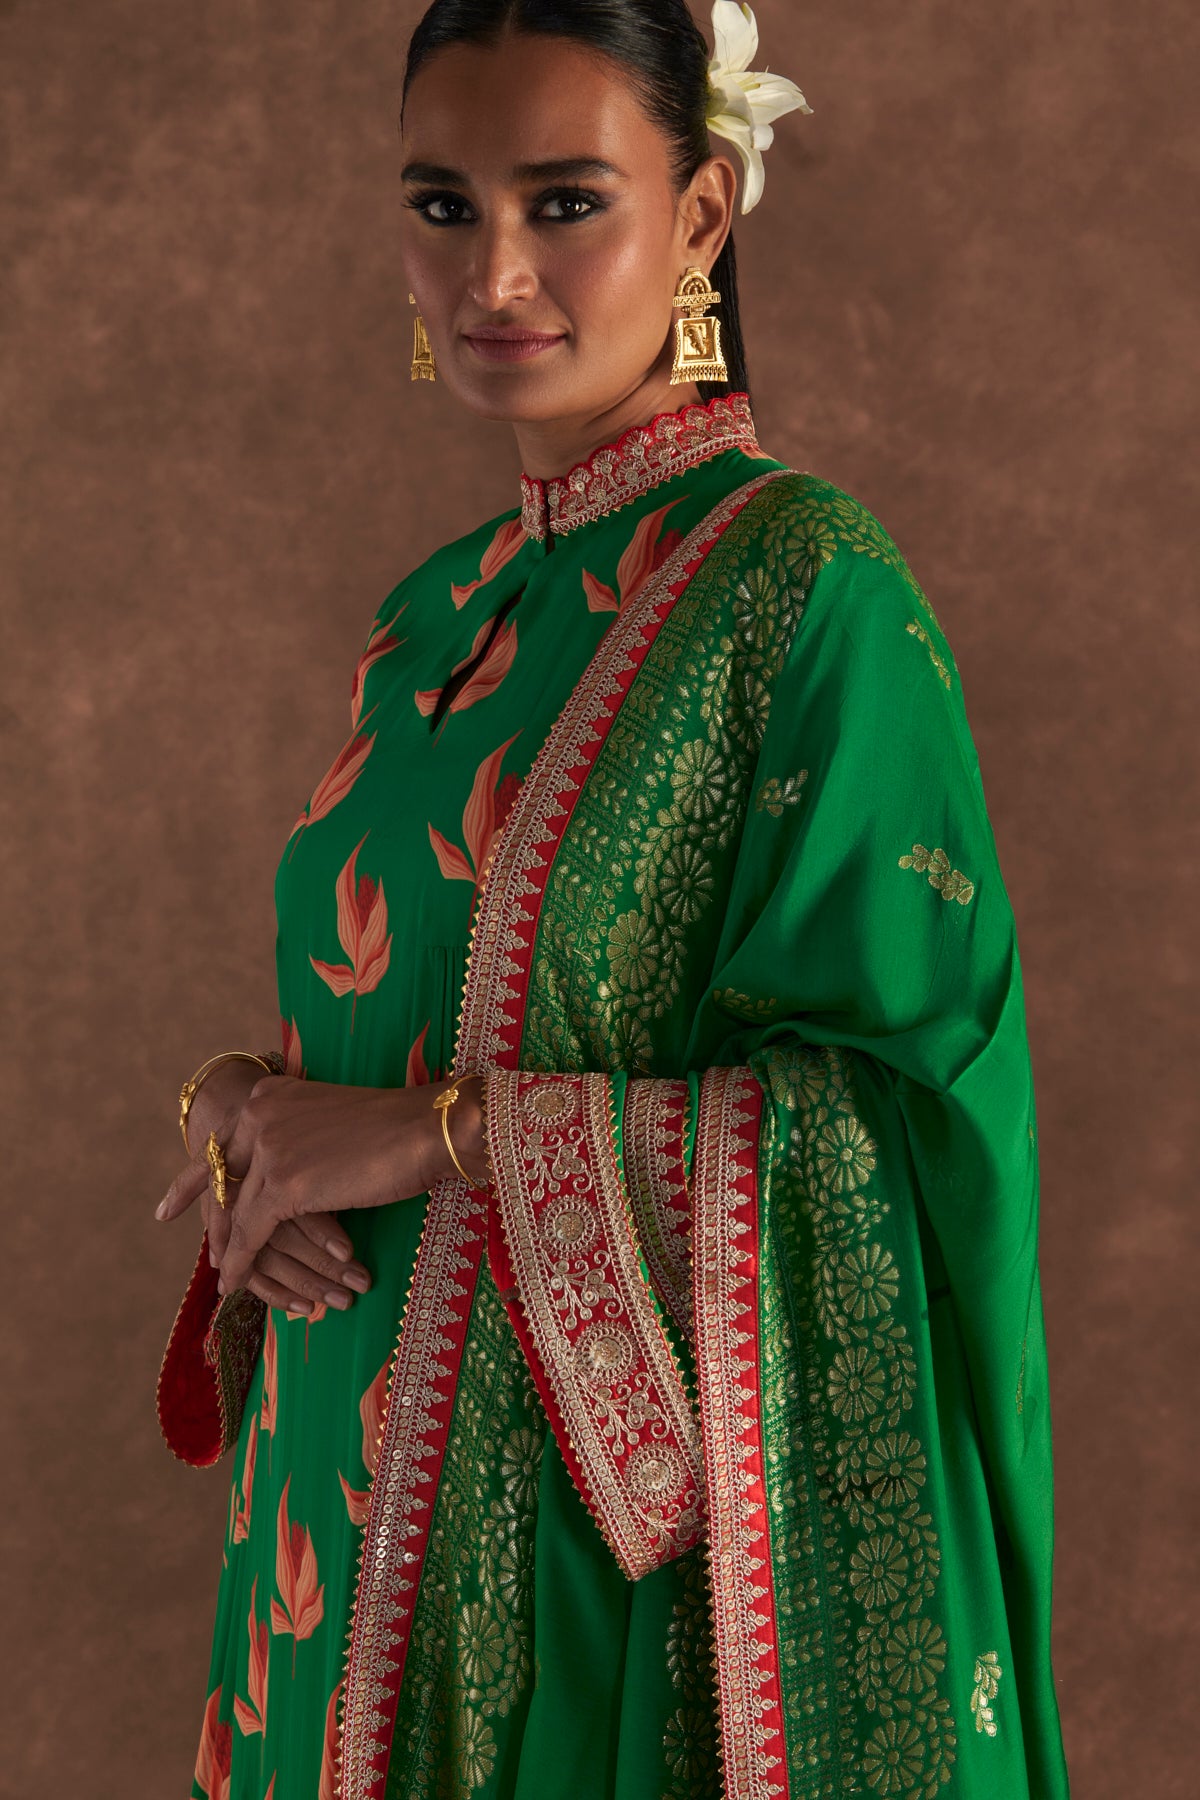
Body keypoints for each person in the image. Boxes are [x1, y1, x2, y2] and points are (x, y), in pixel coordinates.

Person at [155, 3, 1071, 1797]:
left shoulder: (808, 593)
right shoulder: (435, 615)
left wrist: (434, 1139)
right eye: (442, 205)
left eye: (565, 202)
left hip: (578, 1575)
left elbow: (888, 1129)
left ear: (703, 212)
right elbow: (386, 1022)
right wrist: (245, 1117)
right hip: (323, 1525)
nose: (492, 274)